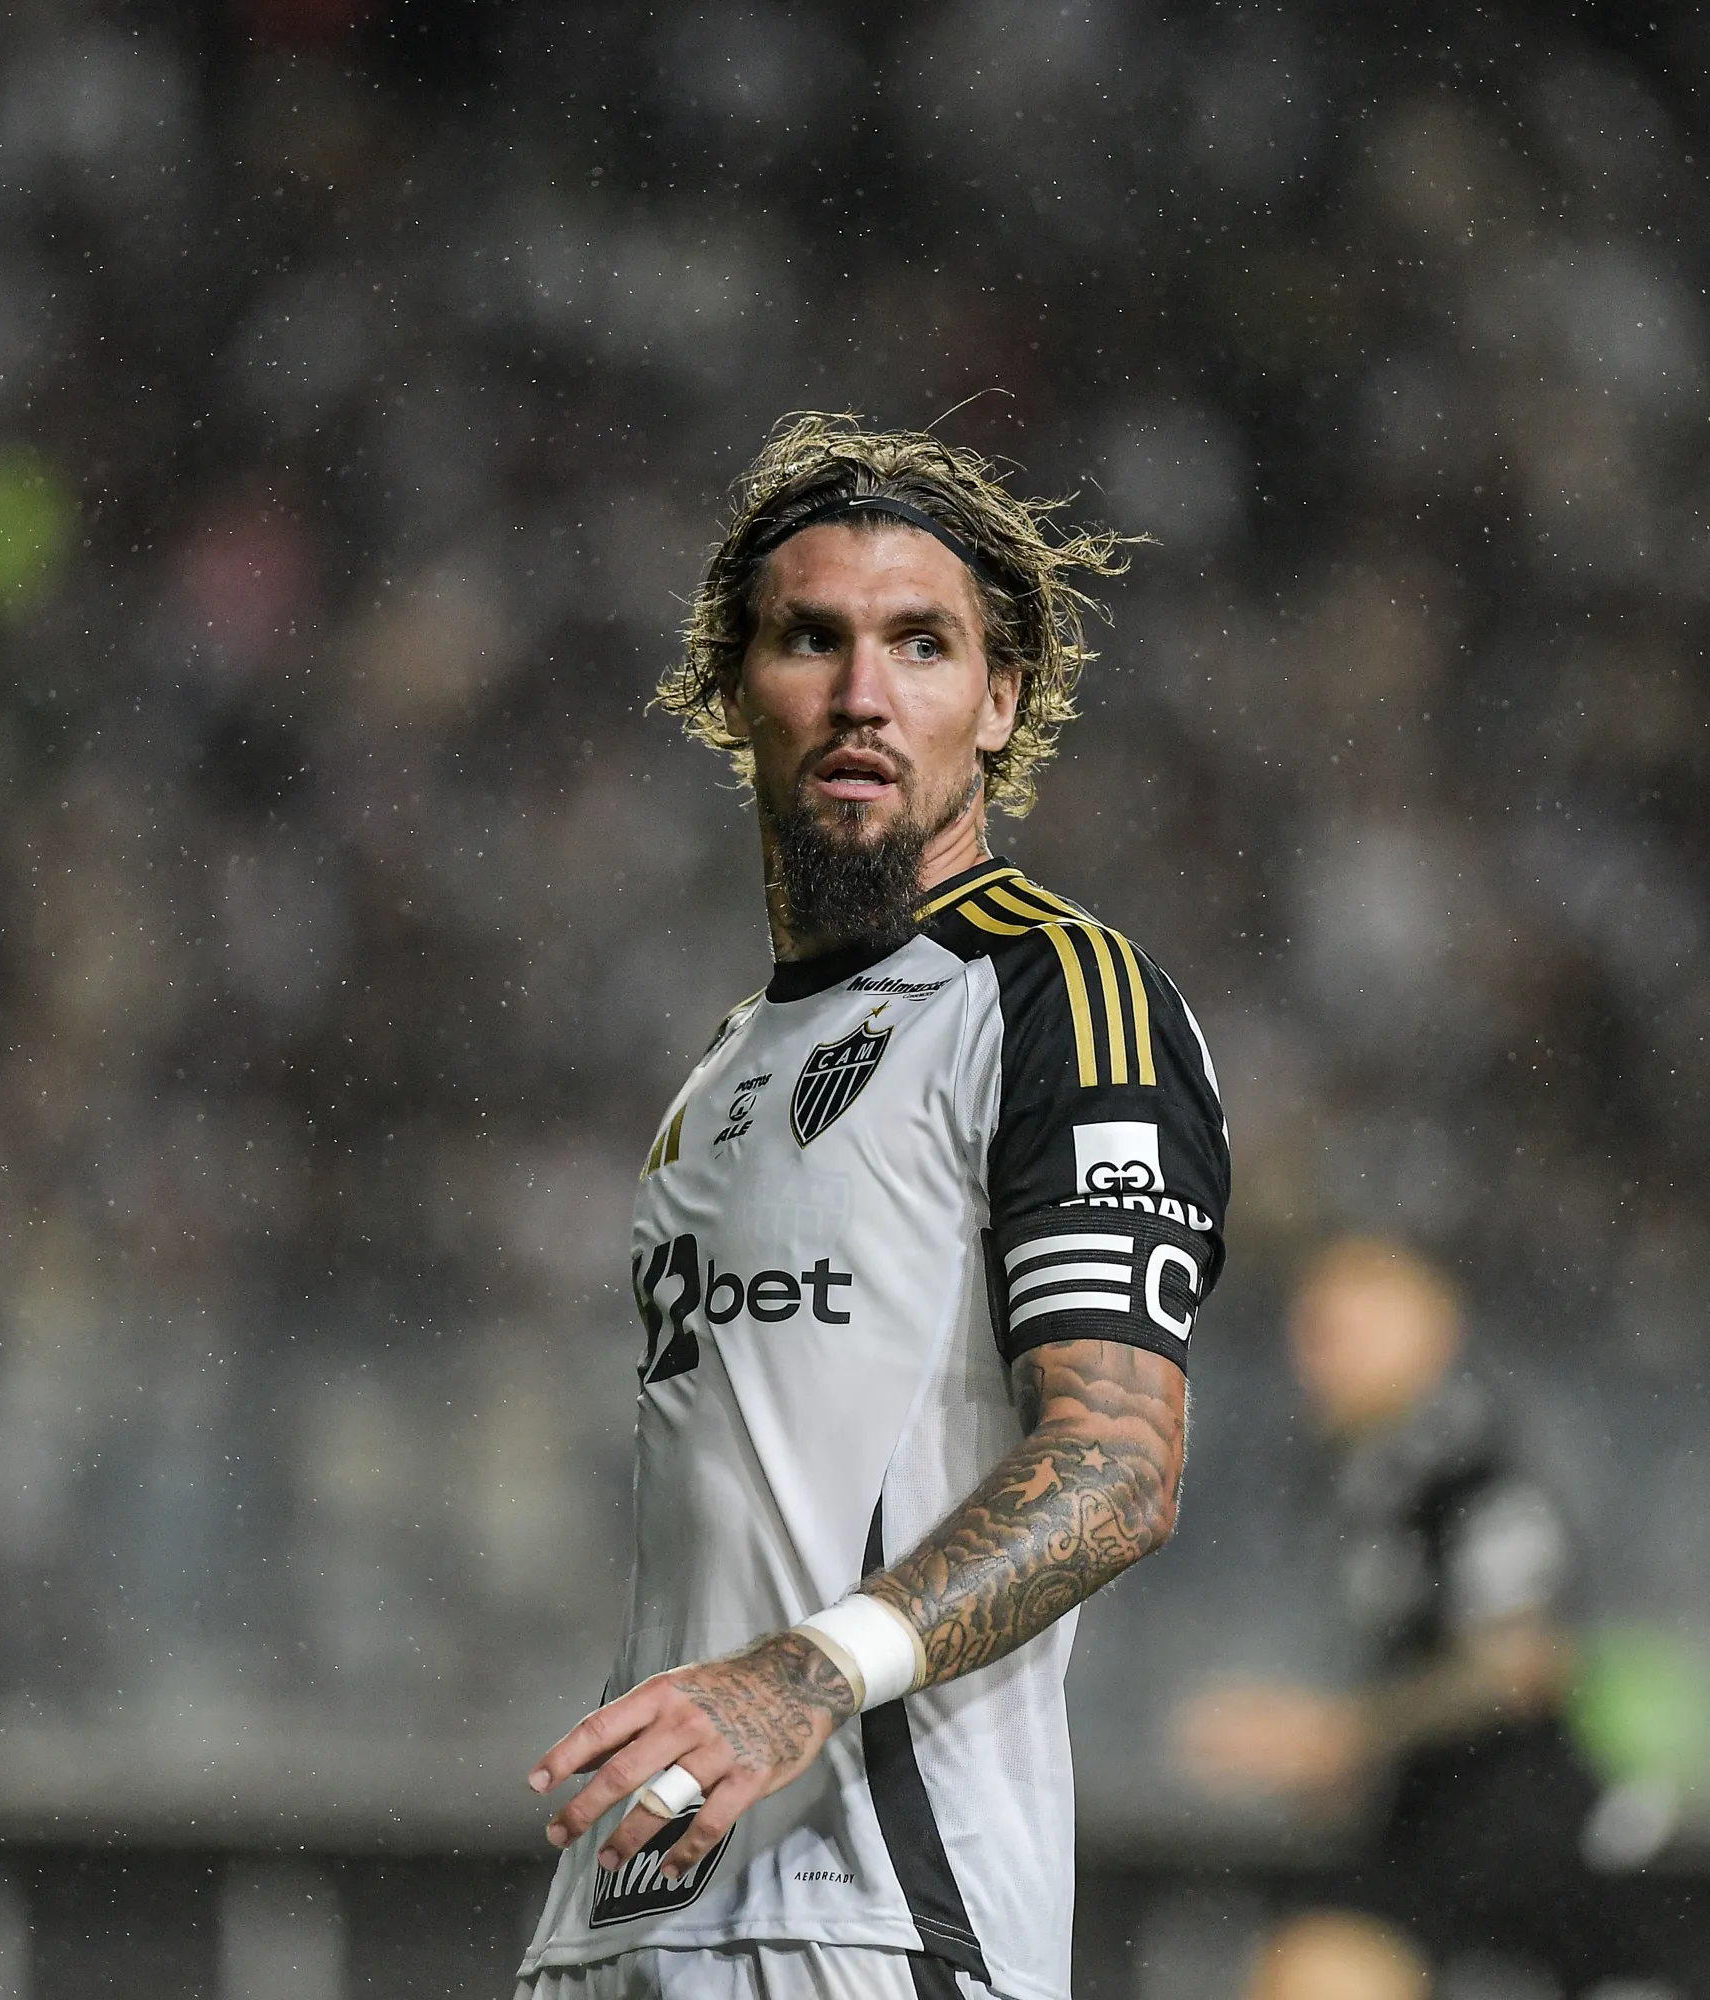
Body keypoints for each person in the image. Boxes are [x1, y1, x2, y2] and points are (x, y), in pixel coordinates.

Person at [515, 415, 1232, 2000]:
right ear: (731, 688)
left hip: (877, 1922)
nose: (861, 695)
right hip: (623, 1916)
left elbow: (1117, 1468)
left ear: (1001, 702)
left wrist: (801, 1679)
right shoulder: (722, 1067)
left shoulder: (1059, 996)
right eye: (811, 640)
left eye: (922, 645)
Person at [1177, 1239, 1638, 2000]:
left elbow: (1521, 1662)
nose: (1318, 1358)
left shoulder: (1469, 1462)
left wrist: (1340, 1733)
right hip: (1428, 1814)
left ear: (1431, 1331)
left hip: (1506, 1824)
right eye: (1310, 1333)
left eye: (1346, 1332)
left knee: (1317, 1975)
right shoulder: (1363, 1471)